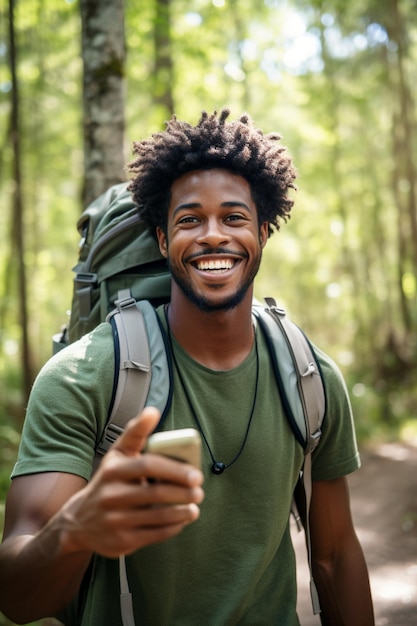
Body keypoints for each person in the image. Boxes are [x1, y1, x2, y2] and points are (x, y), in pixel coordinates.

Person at [0, 109, 374, 625]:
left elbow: (334, 557)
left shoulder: (309, 375)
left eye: (235, 218)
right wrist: (76, 529)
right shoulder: (83, 378)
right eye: (190, 219)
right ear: (162, 240)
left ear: (264, 233)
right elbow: (17, 599)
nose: (213, 235)